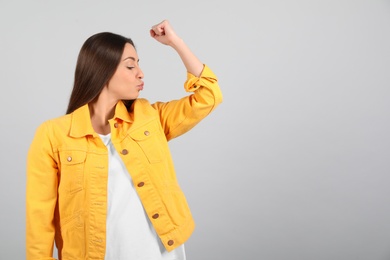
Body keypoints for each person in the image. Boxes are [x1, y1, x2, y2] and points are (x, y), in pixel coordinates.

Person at [26, 20, 222, 260]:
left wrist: (176, 43)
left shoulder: (151, 117)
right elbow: (40, 221)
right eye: (130, 66)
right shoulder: (53, 135)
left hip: (159, 252)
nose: (141, 73)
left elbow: (209, 96)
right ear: (102, 70)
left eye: (139, 65)